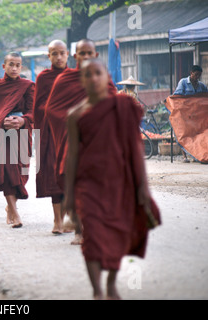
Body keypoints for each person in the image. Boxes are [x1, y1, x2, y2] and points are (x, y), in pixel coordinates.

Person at [63, 58, 161, 300]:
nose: (93, 78)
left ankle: (111, 283)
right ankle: (97, 290)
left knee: (119, 234)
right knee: (93, 237)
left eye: (98, 73)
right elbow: (72, 156)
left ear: (106, 77)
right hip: (89, 184)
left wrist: (142, 187)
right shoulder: (75, 115)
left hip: (121, 182)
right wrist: (68, 196)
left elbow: (135, 148)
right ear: (82, 81)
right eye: (88, 75)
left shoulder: (123, 107)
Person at [45, 39, 117, 244]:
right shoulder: (65, 79)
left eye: (89, 53)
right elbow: (52, 109)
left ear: (95, 55)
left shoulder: (102, 76)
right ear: (75, 56)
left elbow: (112, 102)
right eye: (81, 53)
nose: (85, 57)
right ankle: (79, 230)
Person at [0, 52, 34, 228]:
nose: (14, 68)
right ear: (4, 66)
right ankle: (15, 213)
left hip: (22, 133)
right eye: (11, 64)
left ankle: (10, 207)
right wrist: (2, 121)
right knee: (7, 171)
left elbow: (33, 110)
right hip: (2, 134)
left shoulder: (28, 86)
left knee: (20, 173)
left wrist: (22, 120)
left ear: (21, 67)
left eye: (17, 65)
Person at [33, 40, 73, 234]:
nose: (58, 57)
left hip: (72, 133)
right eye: (54, 54)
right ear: (48, 56)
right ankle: (57, 220)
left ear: (68, 54)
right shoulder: (44, 77)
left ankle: (65, 217)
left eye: (62, 53)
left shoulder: (75, 77)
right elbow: (38, 107)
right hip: (50, 133)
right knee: (53, 175)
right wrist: (56, 111)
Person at [173, 65, 207, 163]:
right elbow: (177, 96)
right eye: (196, 75)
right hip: (185, 113)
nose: (197, 77)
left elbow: (206, 97)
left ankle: (195, 154)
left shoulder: (201, 85)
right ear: (191, 73)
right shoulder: (183, 82)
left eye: (199, 75)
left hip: (197, 115)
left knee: (196, 134)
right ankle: (184, 156)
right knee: (185, 133)